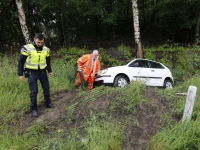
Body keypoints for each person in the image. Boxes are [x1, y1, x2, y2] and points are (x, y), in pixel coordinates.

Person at [17, 33, 54, 117]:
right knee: (34, 91)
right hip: (31, 73)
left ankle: (47, 103)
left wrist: (49, 70)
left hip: (42, 72)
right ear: (34, 39)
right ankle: (34, 108)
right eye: (38, 42)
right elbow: (20, 62)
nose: (40, 44)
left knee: (46, 88)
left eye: (42, 42)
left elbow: (48, 61)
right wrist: (20, 74)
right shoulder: (27, 48)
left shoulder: (46, 49)